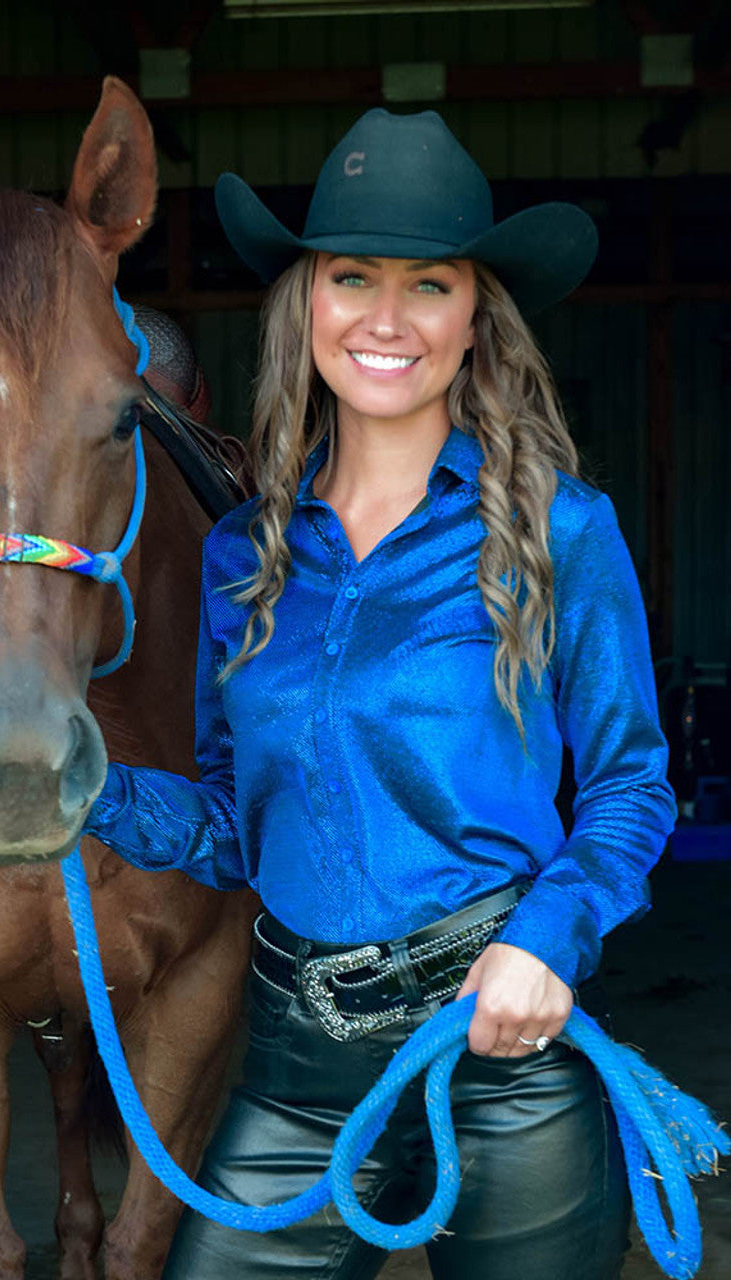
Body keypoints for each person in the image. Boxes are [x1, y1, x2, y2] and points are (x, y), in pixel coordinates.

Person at [83, 108, 677, 1279]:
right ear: (306, 301)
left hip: (499, 1053)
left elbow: (630, 785)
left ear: (474, 317)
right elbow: (227, 823)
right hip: (297, 1076)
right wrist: (83, 790)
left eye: (429, 284)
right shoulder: (241, 556)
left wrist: (547, 940)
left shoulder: (562, 531)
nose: (386, 319)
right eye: (351, 276)